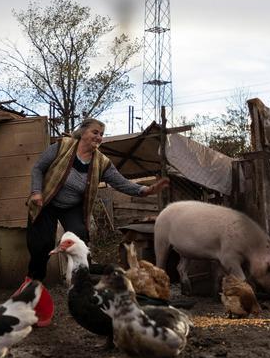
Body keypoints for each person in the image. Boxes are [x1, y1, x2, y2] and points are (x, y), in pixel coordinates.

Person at [26, 117, 170, 281]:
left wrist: (146, 190)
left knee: (79, 237)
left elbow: (120, 183)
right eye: (95, 132)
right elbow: (38, 168)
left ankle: (82, 278)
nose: (99, 137)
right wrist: (36, 191)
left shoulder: (101, 162)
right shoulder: (61, 146)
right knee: (42, 244)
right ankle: (34, 281)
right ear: (82, 132)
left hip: (71, 206)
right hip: (47, 201)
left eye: (101, 134)